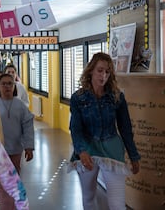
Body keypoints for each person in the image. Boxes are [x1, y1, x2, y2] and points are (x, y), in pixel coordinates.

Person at [68, 52, 140, 210]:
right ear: (91, 71)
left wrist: (133, 156)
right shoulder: (78, 98)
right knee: (89, 198)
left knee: (117, 203)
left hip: (112, 149)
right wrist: (81, 150)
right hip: (87, 147)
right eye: (100, 70)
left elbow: (125, 129)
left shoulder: (117, 97)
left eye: (107, 71)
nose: (104, 75)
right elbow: (75, 128)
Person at [0, 74, 35, 210]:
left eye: (10, 83)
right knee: (3, 182)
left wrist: (29, 146)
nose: (7, 87)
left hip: (16, 149)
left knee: (14, 181)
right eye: (3, 84)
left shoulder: (19, 105)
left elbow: (28, 125)